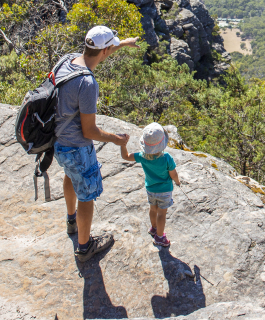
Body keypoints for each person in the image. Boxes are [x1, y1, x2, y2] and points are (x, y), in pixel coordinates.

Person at [54, 25, 138, 262]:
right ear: (105, 51)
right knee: (86, 195)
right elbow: (89, 130)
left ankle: (71, 221)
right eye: (111, 47)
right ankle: (84, 247)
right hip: (77, 147)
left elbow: (100, 51)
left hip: (58, 141)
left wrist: (123, 43)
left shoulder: (67, 61)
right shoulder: (87, 84)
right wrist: (116, 139)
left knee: (70, 175)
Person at [121, 122, 181, 247]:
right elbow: (173, 174)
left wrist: (123, 144)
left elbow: (125, 156)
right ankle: (160, 237)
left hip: (150, 188)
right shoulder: (166, 158)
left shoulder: (142, 156)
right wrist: (177, 181)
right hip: (165, 190)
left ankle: (153, 228)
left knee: (153, 209)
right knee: (162, 214)